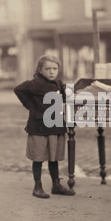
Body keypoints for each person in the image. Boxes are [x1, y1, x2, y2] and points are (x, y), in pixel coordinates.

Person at [14, 55, 75, 199]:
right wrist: (31, 106)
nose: (51, 72)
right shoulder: (34, 84)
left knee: (53, 158)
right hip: (39, 127)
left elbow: (67, 96)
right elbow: (19, 90)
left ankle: (56, 184)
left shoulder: (59, 84)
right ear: (40, 70)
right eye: (47, 69)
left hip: (55, 125)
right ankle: (37, 186)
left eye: (55, 69)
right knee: (39, 157)